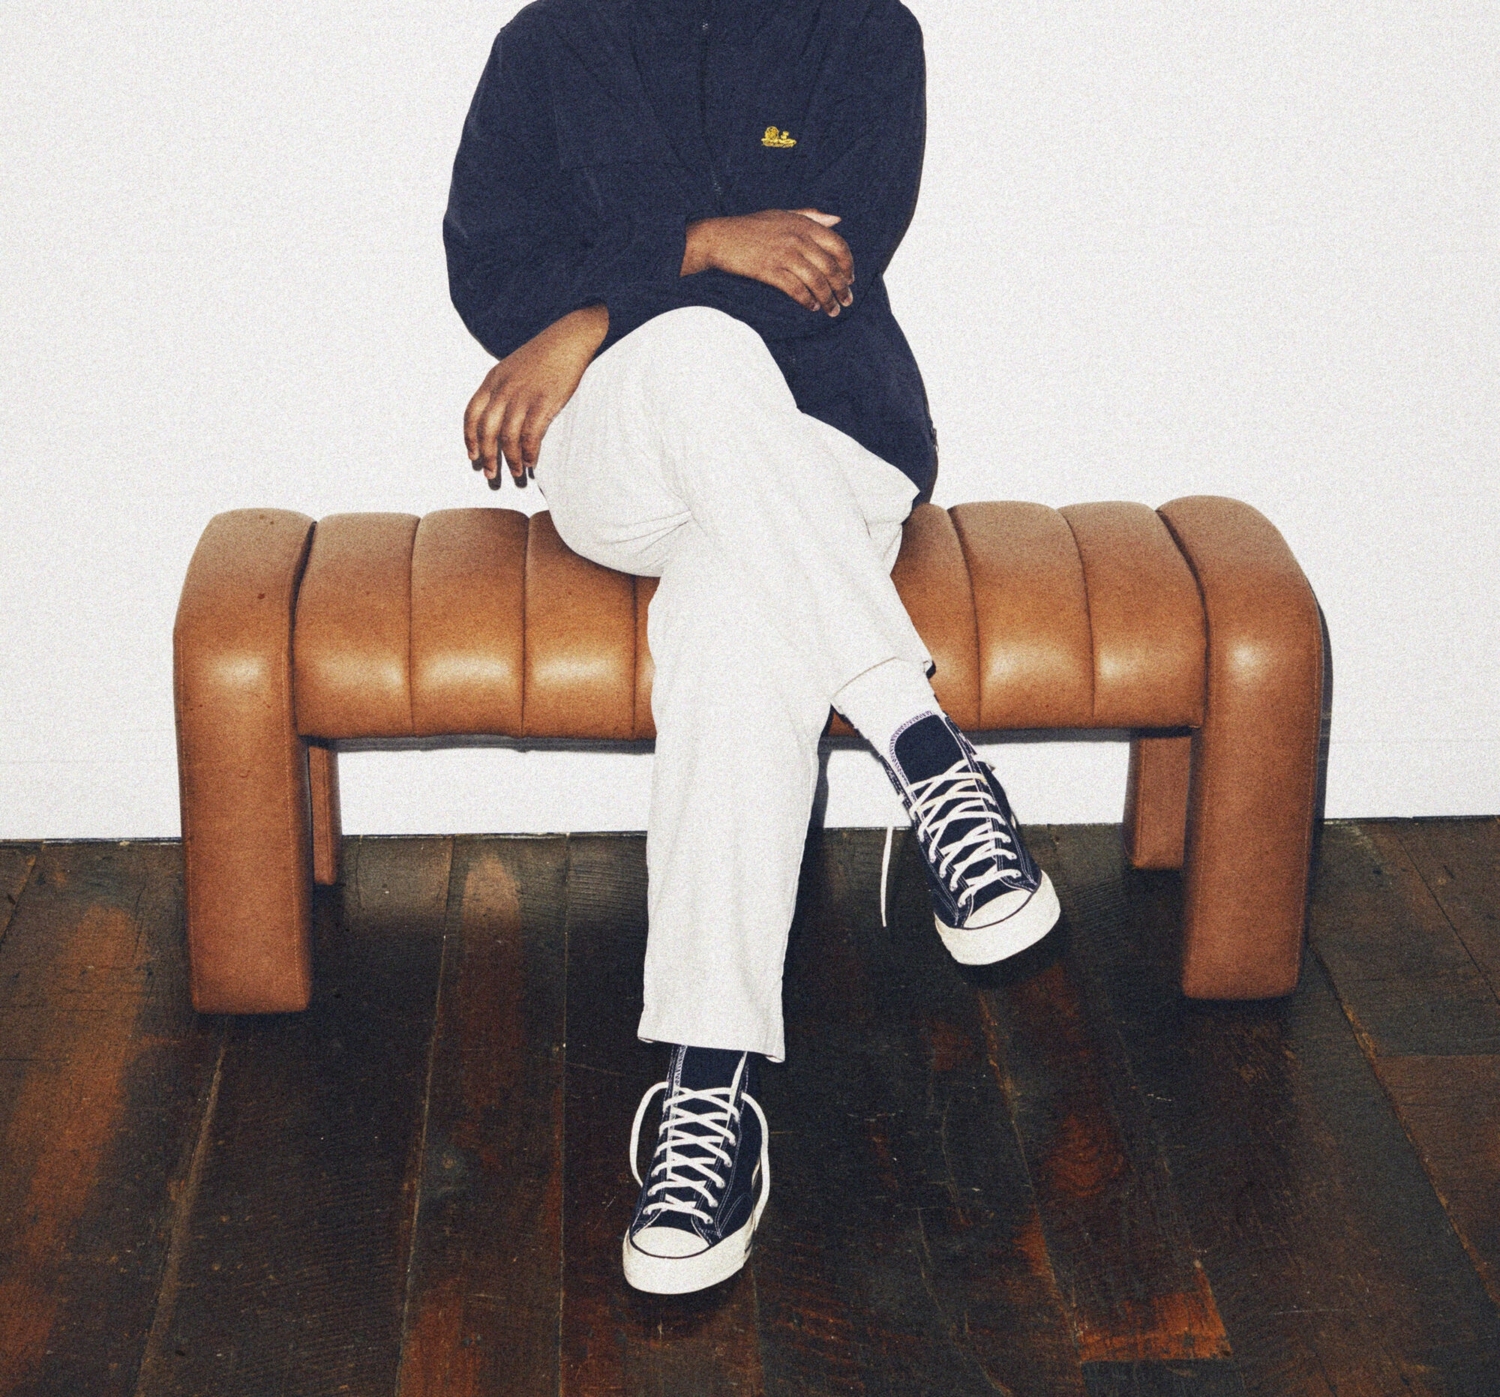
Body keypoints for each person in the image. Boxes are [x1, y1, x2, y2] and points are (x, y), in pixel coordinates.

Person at [445, 0, 1058, 1296]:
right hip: (626, 450)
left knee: (731, 616)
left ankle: (705, 1091)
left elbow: (823, 276)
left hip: (825, 445)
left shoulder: (864, 34)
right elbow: (492, 273)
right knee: (692, 347)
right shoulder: (551, 42)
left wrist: (594, 306)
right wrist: (693, 250)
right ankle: (928, 753)